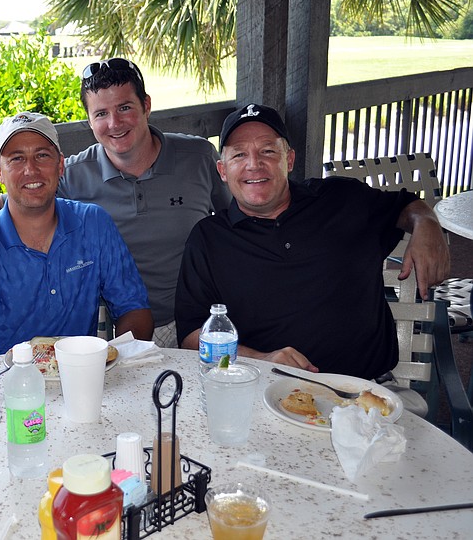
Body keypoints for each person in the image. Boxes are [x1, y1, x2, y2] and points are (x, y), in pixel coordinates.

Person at [0, 58, 230, 349]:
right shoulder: (73, 175)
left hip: (206, 317)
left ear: (146, 105)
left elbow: (234, 219)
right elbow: (22, 198)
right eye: (101, 113)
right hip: (138, 327)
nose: (114, 123)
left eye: (124, 108)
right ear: (90, 121)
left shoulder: (198, 157)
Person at [175, 103, 450, 379]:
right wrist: (262, 359)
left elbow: (406, 206)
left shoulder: (341, 199)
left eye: (268, 151)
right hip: (263, 389)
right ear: (223, 170)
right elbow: (191, 336)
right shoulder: (208, 239)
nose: (254, 164)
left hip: (366, 390)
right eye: (239, 154)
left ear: (289, 160)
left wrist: (426, 222)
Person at [0, 111, 153, 376]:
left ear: (60, 165)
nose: (30, 169)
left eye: (42, 155)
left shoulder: (93, 224)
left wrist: (115, 363)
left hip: (78, 380)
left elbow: (135, 309)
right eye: (16, 158)